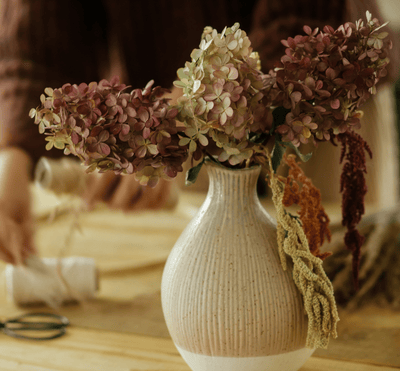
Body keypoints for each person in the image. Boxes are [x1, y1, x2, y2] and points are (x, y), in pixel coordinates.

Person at [0, 0, 397, 265]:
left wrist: (169, 124)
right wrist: (12, 156)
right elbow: (40, 33)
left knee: (323, 274)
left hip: (313, 102)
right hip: (174, 112)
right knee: (207, 270)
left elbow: (301, 17)